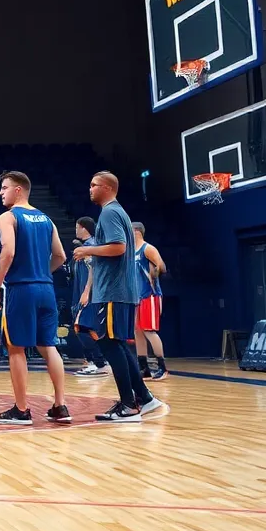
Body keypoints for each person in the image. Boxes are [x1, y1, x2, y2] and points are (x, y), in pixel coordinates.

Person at [73, 172, 165, 422]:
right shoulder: (116, 212)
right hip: (119, 290)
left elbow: (119, 247)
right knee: (115, 344)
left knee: (109, 344)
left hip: (114, 291)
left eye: (94, 184)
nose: (90, 188)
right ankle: (143, 398)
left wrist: (86, 250)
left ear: (108, 187)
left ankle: (129, 404)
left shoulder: (110, 212)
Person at [0, 171, 70, 425]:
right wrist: (41, 272)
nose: (0, 192)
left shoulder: (8, 217)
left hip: (21, 289)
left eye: (4, 188)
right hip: (46, 289)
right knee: (49, 346)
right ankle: (60, 405)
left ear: (18, 190)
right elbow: (60, 256)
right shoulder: (47, 219)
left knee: (16, 349)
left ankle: (21, 409)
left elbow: (8, 252)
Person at [70, 217, 109, 376]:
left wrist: (87, 291)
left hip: (92, 294)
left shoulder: (92, 246)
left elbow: (95, 271)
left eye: (77, 227)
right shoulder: (84, 247)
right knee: (86, 328)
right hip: (82, 293)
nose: (75, 230)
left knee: (82, 327)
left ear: (84, 228)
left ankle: (100, 363)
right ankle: (94, 362)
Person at [133, 222, 168, 380]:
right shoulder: (130, 251)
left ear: (137, 232)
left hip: (150, 295)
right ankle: (144, 368)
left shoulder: (148, 249)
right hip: (136, 297)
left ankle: (162, 367)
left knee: (149, 331)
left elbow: (162, 266)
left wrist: (155, 271)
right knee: (137, 332)